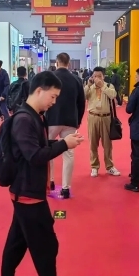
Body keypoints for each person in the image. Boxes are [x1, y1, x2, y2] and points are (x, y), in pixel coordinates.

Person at [0, 71, 86, 276]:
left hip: (27, 192)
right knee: (46, 247)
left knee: (17, 241)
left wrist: (60, 143)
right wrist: (64, 144)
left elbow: (38, 147)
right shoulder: (25, 120)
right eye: (53, 96)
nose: (54, 102)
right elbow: (34, 156)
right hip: (28, 194)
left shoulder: (34, 117)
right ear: (39, 91)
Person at [46, 52, 85, 199]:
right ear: (69, 63)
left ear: (56, 63)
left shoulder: (50, 77)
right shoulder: (76, 79)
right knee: (68, 154)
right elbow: (81, 103)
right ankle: (66, 188)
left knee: (48, 150)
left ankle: (49, 181)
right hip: (70, 121)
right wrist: (78, 120)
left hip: (52, 120)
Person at [84, 67, 121, 178]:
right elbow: (83, 96)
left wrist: (102, 86)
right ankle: (94, 166)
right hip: (93, 117)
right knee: (93, 143)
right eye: (94, 76)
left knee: (107, 144)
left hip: (106, 117)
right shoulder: (90, 87)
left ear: (103, 76)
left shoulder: (109, 86)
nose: (96, 78)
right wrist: (88, 85)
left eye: (99, 76)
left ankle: (109, 166)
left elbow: (113, 95)